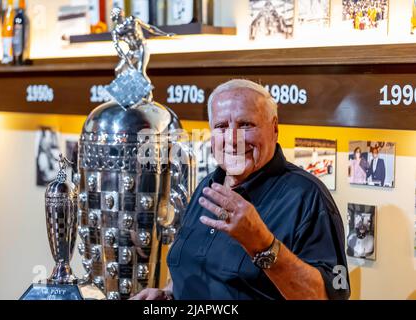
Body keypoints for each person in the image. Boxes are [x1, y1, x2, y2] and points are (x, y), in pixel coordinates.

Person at [132, 79, 350, 300]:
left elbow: (331, 296)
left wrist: (261, 243)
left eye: (246, 124)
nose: (232, 139)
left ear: (274, 129)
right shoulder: (207, 186)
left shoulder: (308, 197)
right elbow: (199, 268)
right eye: (221, 127)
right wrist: (168, 293)